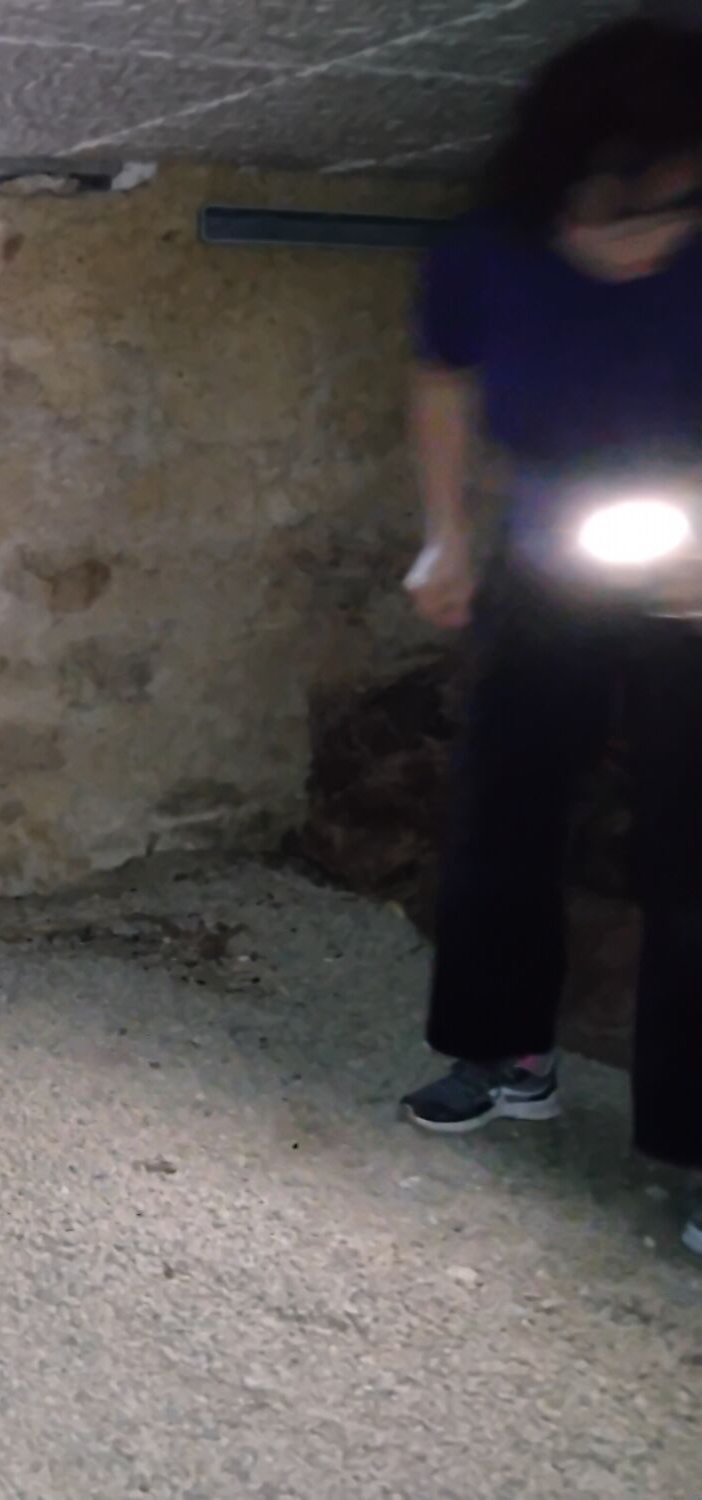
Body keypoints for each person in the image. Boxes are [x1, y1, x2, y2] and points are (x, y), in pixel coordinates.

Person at [397, 15, 702, 1258]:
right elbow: (440, 377)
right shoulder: (484, 253)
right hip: (545, 556)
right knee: (501, 806)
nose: (645, 242)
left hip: (694, 577)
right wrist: (443, 535)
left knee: (693, 854)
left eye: (675, 209)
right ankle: (501, 1052)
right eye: (618, 212)